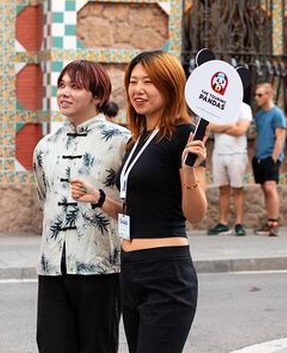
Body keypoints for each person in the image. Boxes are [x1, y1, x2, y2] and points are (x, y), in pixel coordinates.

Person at [71, 50, 207, 353]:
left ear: (170, 86)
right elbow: (134, 209)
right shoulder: (137, 139)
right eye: (133, 81)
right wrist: (99, 198)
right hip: (131, 269)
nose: (138, 90)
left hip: (167, 272)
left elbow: (195, 214)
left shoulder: (184, 135)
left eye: (149, 82)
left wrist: (188, 170)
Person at [33, 60, 130, 353]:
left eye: (75, 87)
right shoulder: (45, 146)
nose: (64, 92)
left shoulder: (122, 142)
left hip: (101, 266)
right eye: (62, 85)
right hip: (51, 266)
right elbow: (44, 197)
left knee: (97, 347)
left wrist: (100, 198)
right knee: (51, 346)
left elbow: (133, 205)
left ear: (98, 96)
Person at [207, 101, 253, 236]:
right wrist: (230, 126)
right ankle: (223, 223)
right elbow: (210, 127)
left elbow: (241, 130)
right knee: (223, 189)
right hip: (219, 153)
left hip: (237, 153)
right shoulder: (218, 105)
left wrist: (221, 127)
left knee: (238, 189)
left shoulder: (244, 107)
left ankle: (238, 223)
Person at [252, 83, 286, 236]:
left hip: (270, 157)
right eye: (256, 95)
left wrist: (274, 158)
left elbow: (280, 137)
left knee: (271, 188)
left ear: (269, 95)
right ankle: (269, 221)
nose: (256, 98)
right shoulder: (259, 115)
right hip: (259, 157)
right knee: (265, 189)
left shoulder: (277, 114)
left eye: (260, 95)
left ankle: (274, 223)